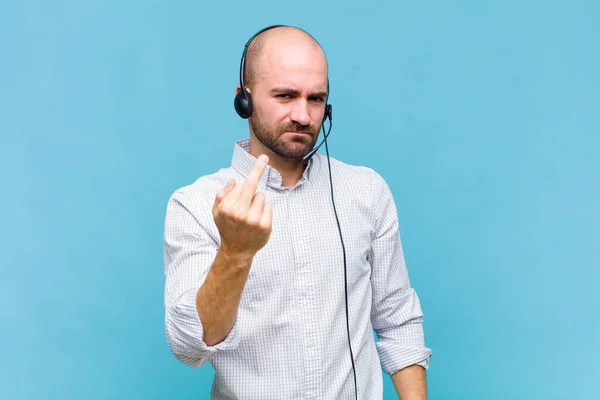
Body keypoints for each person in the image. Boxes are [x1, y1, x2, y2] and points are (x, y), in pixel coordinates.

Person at [163, 25, 432, 399]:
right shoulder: (195, 204)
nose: (304, 116)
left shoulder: (365, 191)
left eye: (316, 98)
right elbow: (190, 346)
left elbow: (398, 319)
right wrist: (235, 253)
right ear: (244, 99)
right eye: (285, 96)